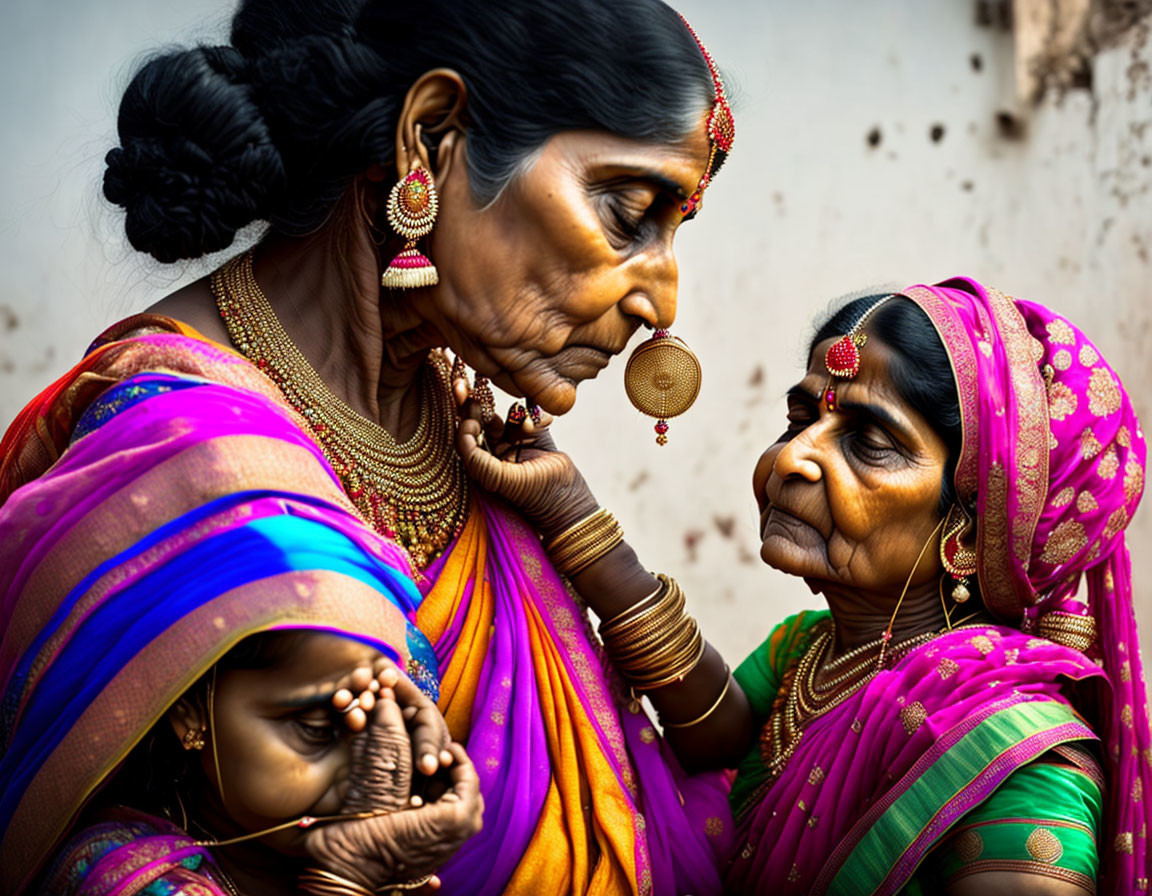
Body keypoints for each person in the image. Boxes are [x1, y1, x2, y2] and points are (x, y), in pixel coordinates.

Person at [0, 0, 738, 892]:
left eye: (674, 232)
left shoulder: (468, 431)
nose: (660, 302)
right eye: (628, 214)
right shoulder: (174, 445)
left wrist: (582, 531)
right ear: (429, 140)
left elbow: (712, 745)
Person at [461, 277, 1150, 894]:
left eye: (869, 441)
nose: (793, 457)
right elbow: (714, 737)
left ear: (970, 535)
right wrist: (569, 512)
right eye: (800, 419)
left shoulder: (1013, 752)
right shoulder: (809, 652)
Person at [0, 369, 483, 895]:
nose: (368, 776)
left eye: (383, 732)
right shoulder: (118, 875)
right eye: (317, 731)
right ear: (186, 703)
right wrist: (351, 876)